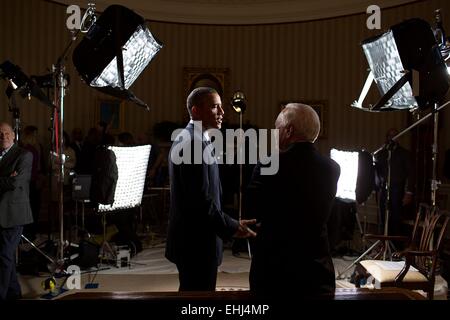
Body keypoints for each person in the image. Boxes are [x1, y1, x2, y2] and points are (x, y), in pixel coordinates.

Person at [165, 87, 256, 291]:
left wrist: (232, 222)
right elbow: (201, 202)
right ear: (196, 111)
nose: (223, 112)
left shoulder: (196, 138)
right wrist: (232, 226)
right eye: (215, 107)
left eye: (221, 107)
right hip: (196, 244)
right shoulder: (192, 143)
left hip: (197, 239)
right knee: (198, 301)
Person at [247, 103, 340, 297]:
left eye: (277, 128)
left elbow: (253, 213)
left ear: (289, 130)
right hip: (316, 271)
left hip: (274, 271)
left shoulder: (268, 165)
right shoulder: (332, 167)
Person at [0, 122, 33, 300]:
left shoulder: (24, 155)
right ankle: (14, 293)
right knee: (6, 257)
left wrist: (8, 179)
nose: (3, 136)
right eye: (0, 134)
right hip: (0, 213)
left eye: (6, 133)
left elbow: (16, 182)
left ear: (13, 135)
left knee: (4, 256)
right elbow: (9, 181)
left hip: (14, 214)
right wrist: (6, 178)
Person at [374, 128, 414, 239]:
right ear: (387, 137)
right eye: (390, 135)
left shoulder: (404, 154)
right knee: (383, 216)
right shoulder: (381, 153)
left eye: (395, 135)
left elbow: (411, 174)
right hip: (383, 188)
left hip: (397, 189)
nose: (392, 138)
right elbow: (376, 171)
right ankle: (383, 242)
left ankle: (396, 245)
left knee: (396, 217)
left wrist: (409, 192)